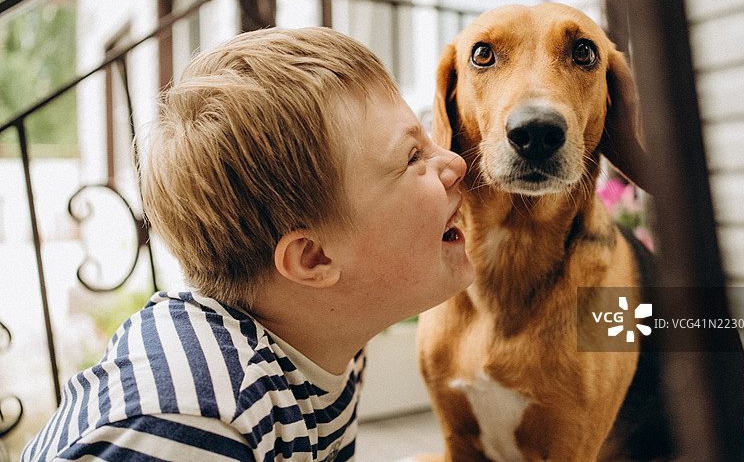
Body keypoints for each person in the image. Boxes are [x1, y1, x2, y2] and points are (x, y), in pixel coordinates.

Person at [21, 27, 474, 461]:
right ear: (313, 257)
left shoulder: (327, 343)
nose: (455, 162)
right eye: (413, 157)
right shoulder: (190, 419)